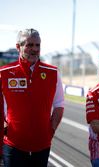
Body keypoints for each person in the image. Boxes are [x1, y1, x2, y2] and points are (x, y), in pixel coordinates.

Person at [0, 28, 64, 167]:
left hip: (42, 145)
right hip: (12, 145)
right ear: (18, 47)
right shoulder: (4, 73)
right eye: (29, 45)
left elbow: (59, 104)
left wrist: (50, 131)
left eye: (37, 45)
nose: (34, 49)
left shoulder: (53, 72)